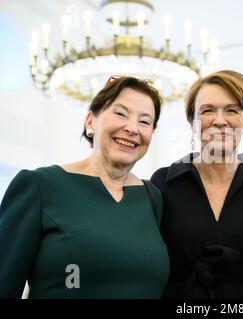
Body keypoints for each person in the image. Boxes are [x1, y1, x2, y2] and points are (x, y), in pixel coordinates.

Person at [0, 76, 169, 298]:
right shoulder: (39, 185)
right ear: (91, 122)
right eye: (120, 113)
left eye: (145, 121)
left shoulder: (152, 197)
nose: (132, 128)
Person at [151, 70, 243, 298]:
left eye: (232, 110)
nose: (220, 121)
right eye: (207, 110)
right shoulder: (163, 182)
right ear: (193, 121)